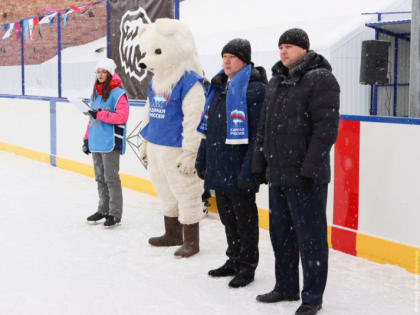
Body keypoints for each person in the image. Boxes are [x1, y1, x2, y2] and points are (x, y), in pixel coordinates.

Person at [252, 28, 340, 315]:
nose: (283, 51)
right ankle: (286, 286)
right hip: (278, 174)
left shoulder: (321, 79)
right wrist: (260, 162)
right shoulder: (277, 80)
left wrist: (309, 169)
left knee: (311, 239)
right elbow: (265, 127)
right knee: (281, 235)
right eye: (280, 47)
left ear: (304, 49)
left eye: (289, 46)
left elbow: (325, 130)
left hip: (306, 178)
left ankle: (312, 297)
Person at [196, 38, 267, 288]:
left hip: (240, 167)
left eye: (232, 56)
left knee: (245, 219)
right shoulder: (218, 87)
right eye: (224, 56)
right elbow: (210, 128)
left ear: (244, 60)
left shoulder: (255, 90)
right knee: (227, 217)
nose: (226, 61)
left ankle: (247, 266)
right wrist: (202, 157)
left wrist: (250, 169)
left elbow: (259, 134)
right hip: (219, 163)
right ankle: (233, 259)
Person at [83, 57, 129, 228]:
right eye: (98, 72)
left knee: (111, 178)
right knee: (100, 178)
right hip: (96, 141)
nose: (100, 75)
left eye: (104, 72)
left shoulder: (118, 94)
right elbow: (91, 119)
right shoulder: (95, 92)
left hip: (110, 142)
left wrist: (101, 114)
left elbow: (122, 117)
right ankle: (103, 210)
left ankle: (114, 213)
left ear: (110, 74)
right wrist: (86, 139)